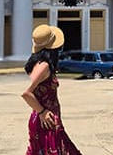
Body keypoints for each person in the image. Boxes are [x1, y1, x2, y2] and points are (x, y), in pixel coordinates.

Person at [23, 25, 81, 155]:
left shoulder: (40, 64)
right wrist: (42, 112)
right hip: (46, 121)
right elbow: (26, 93)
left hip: (47, 119)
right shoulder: (43, 66)